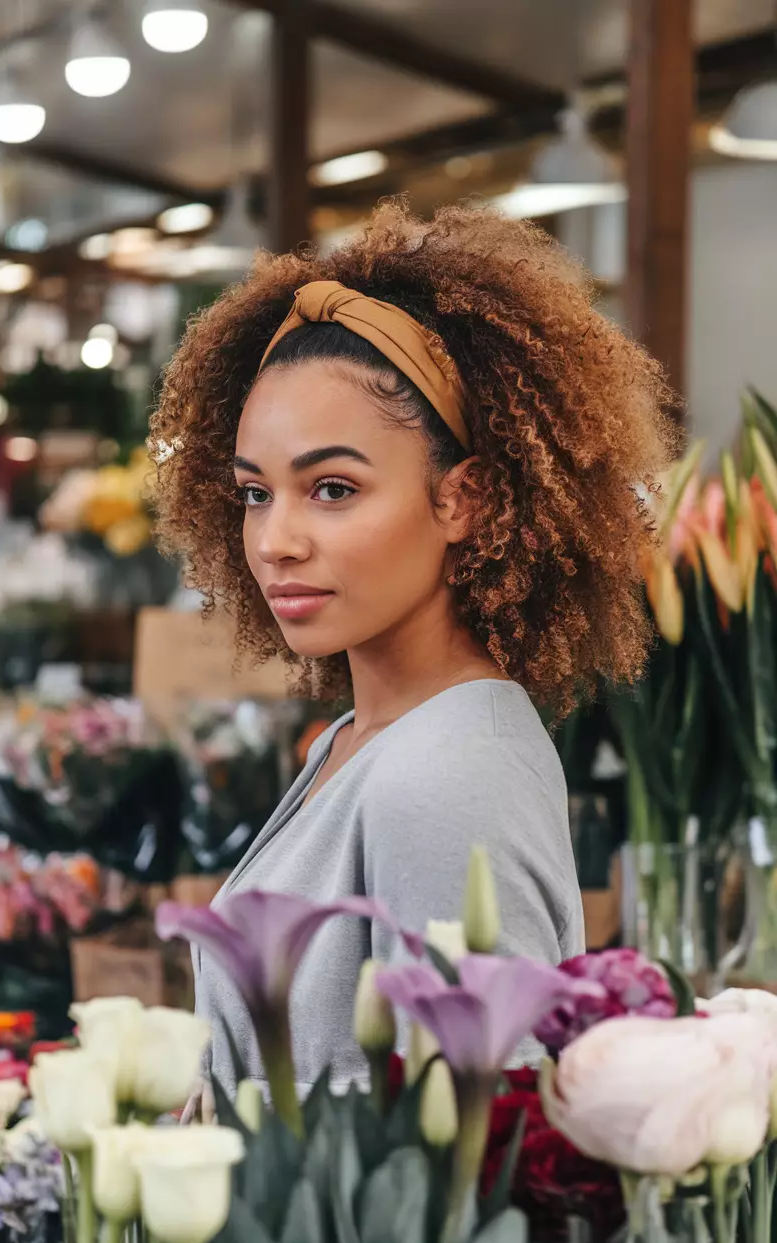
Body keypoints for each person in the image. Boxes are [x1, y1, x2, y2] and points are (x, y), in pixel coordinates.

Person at [149, 201, 674, 1094]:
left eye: (333, 489)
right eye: (253, 494)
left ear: (464, 499)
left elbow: (482, 1152)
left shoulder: (447, 776)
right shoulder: (366, 737)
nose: (274, 540)